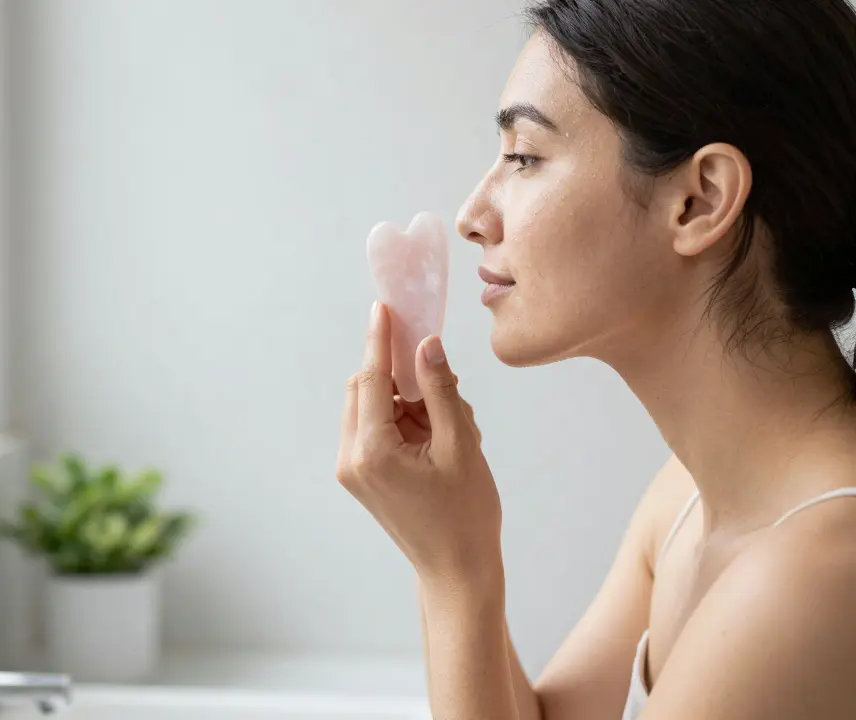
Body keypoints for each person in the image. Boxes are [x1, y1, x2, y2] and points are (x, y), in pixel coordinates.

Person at [335, 1, 856, 718]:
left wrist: (458, 572)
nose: (471, 215)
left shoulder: (815, 573)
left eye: (524, 157)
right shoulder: (688, 498)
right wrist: (443, 550)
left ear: (699, 200)